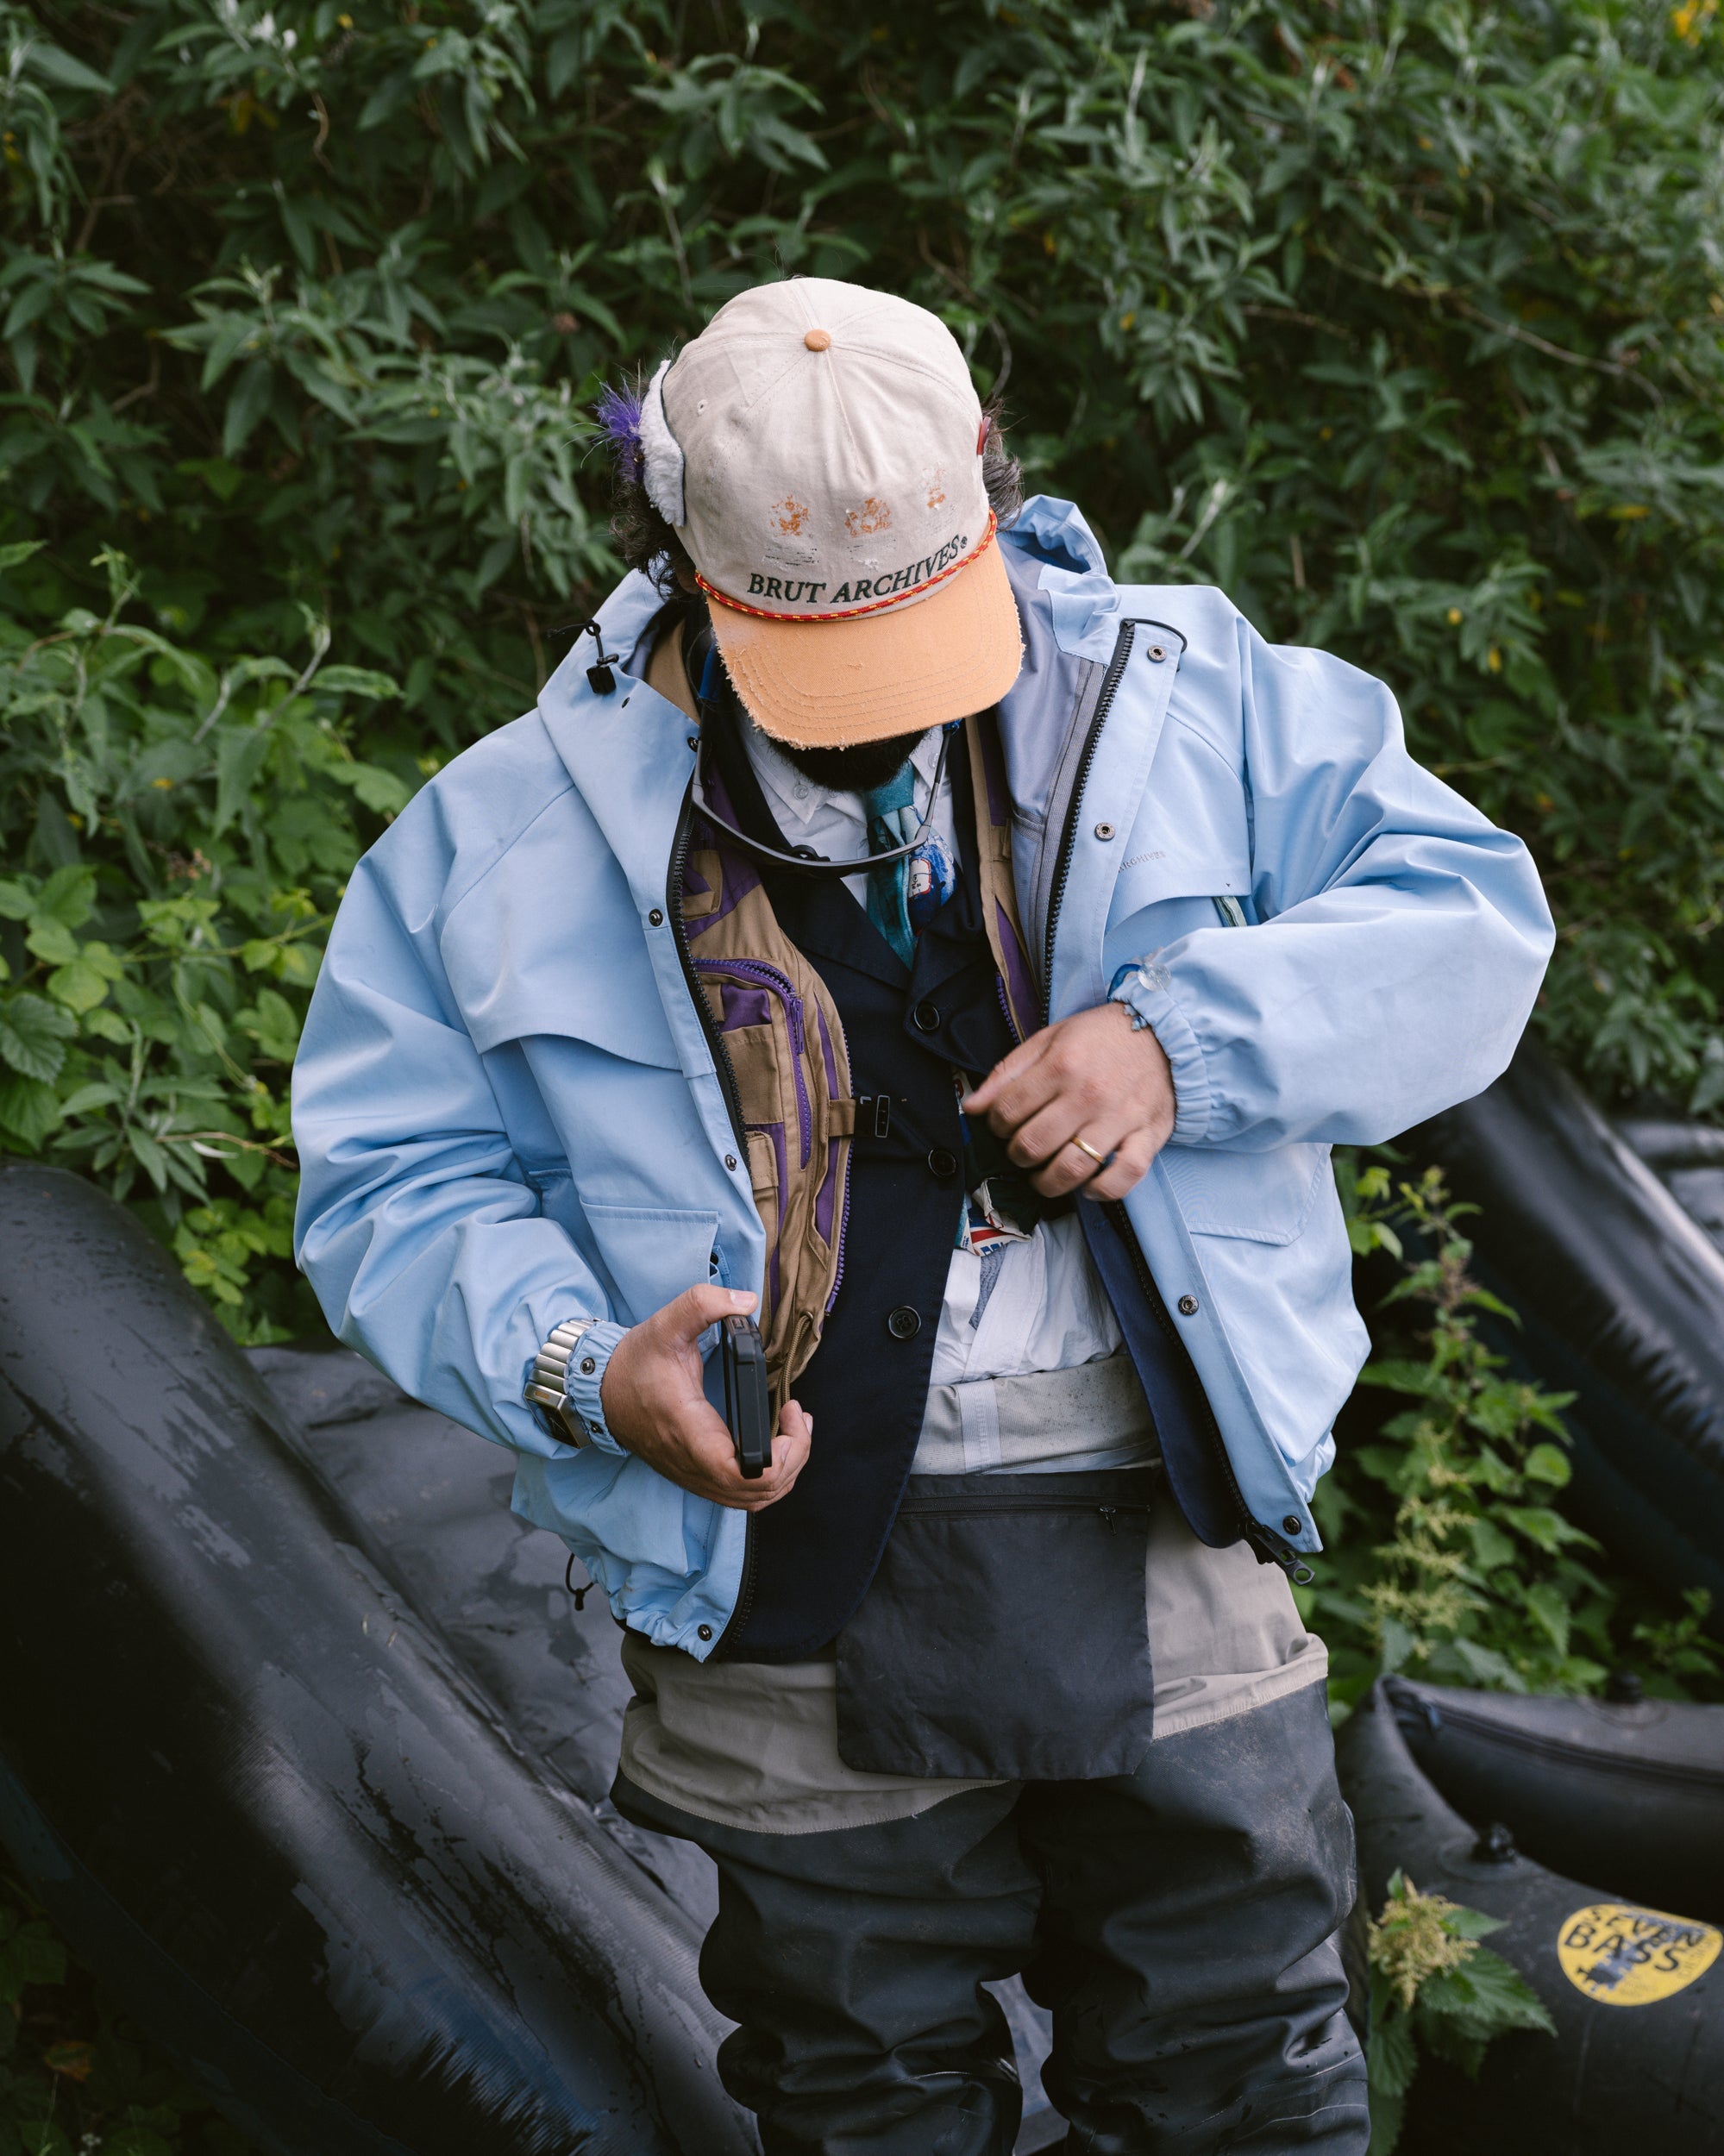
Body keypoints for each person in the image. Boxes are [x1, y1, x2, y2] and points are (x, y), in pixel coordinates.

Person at [292, 276, 1552, 2154]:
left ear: (983, 474)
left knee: (1246, 2073)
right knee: (864, 2094)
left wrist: (1180, 1044)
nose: (887, 720)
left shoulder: (1192, 695)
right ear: (683, 553)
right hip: (774, 1582)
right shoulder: (497, 840)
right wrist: (583, 1367)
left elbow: (1471, 916)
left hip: (1166, 1538)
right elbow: (391, 1182)